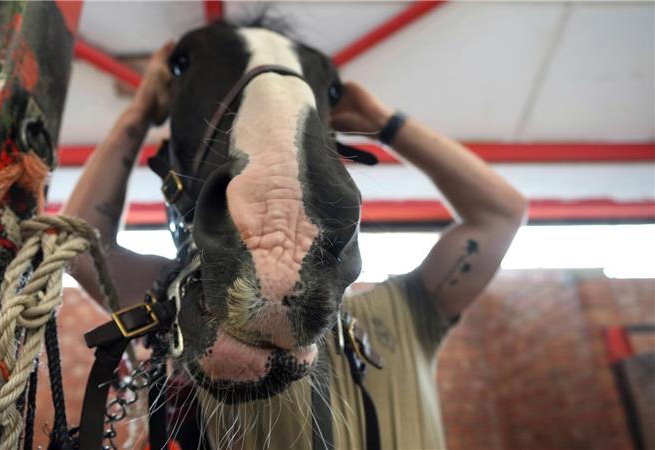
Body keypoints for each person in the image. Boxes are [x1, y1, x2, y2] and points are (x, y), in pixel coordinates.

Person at [64, 42, 527, 449]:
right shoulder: (197, 303)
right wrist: (139, 109)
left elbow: (501, 212)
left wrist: (384, 123)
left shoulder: (410, 310)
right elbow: (82, 244)